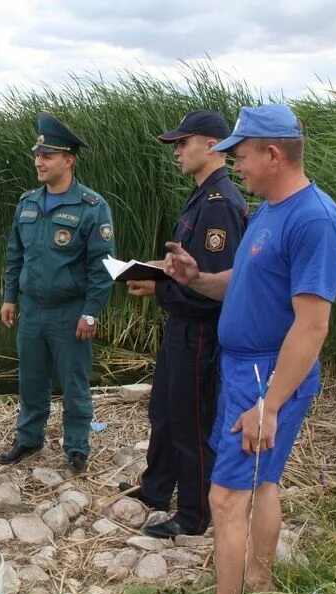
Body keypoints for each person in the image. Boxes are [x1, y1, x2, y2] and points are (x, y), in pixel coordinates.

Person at [163, 104, 336, 594]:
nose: (235, 165)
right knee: (262, 483)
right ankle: (259, 580)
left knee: (224, 498)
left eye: (240, 155)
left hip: (267, 374)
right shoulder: (269, 209)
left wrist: (267, 405)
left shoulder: (315, 222)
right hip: (243, 367)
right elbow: (243, 285)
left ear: (273, 153)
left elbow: (312, 327)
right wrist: (196, 278)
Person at [122, 110, 248, 539]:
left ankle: (194, 515)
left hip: (200, 334)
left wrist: (157, 289)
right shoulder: (200, 196)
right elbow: (185, 270)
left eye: (182, 143)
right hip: (180, 328)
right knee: (163, 411)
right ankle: (156, 490)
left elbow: (206, 288)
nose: (177, 151)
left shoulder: (221, 205)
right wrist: (150, 271)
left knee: (191, 421)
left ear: (211, 145)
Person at [0, 112, 115, 473]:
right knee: (30, 378)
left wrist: (91, 311)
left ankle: (77, 446)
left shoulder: (92, 207)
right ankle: (29, 438)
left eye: (47, 156)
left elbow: (102, 266)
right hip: (32, 309)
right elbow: (15, 254)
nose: (38, 161)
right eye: (37, 155)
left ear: (68, 160)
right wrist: (9, 296)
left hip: (70, 311)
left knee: (74, 384)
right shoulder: (27, 203)